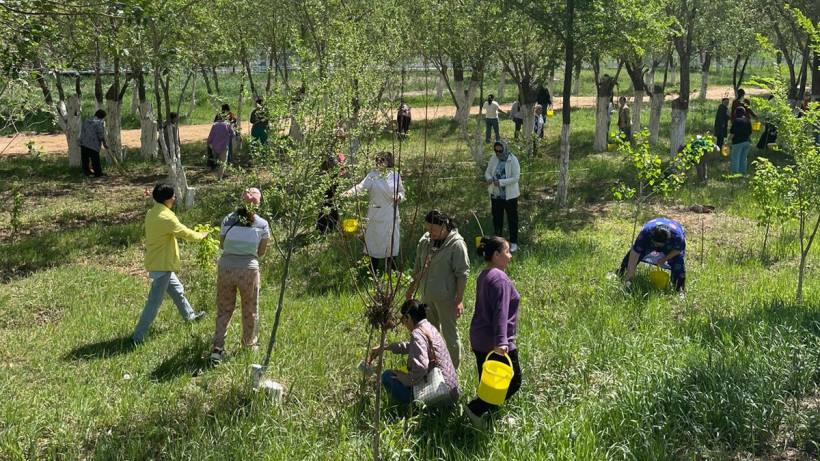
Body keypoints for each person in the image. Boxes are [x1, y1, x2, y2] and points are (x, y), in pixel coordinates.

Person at [132, 184, 208, 344]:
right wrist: (201, 236)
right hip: (162, 264)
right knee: (154, 302)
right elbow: (185, 233)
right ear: (167, 199)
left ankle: (190, 317)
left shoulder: (152, 212)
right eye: (173, 196)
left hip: (158, 261)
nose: (174, 198)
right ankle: (138, 336)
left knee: (177, 291)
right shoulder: (167, 217)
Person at [464, 236, 522, 427]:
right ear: (496, 255)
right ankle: (475, 409)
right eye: (507, 252)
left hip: (479, 337)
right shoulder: (500, 278)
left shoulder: (484, 274)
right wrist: (501, 341)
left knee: (488, 382)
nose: (510, 256)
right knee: (512, 381)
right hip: (494, 341)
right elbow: (500, 311)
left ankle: (488, 418)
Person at [209, 188, 270, 362]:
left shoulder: (228, 220)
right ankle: (248, 345)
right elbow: (261, 252)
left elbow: (222, 245)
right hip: (249, 270)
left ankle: (217, 348)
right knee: (250, 309)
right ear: (257, 205)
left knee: (224, 309)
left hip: (225, 268)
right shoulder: (262, 224)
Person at [405, 210, 470, 368]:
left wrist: (459, 300)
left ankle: (453, 371)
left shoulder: (456, 245)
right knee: (428, 335)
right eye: (427, 229)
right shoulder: (425, 242)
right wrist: (410, 289)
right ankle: (433, 367)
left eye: (433, 230)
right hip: (427, 297)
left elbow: (462, 274)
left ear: (444, 226)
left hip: (446, 299)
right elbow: (417, 268)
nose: (430, 233)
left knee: (450, 337)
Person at [371, 299, 460, 406]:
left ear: (408, 317)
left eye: (403, 319)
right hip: (451, 390)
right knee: (404, 371)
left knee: (387, 376)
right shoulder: (428, 327)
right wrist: (385, 347)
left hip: (441, 395)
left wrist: (405, 379)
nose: (403, 324)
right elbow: (411, 347)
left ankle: (414, 407)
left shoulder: (417, 333)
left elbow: (421, 368)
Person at [342, 151, 405, 274]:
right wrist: (349, 192)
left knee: (391, 243)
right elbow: (360, 187)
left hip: (391, 215)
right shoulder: (372, 176)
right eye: (379, 161)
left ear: (389, 162)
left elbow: (402, 191)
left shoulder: (395, 175)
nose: (380, 164)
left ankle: (392, 271)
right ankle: (372, 271)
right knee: (375, 243)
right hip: (376, 216)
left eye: (383, 161)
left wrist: (399, 197)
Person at [619, 217, 686, 293]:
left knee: (678, 261)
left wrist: (665, 258)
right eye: (655, 244)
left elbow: (678, 250)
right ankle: (621, 272)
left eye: (659, 245)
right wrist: (629, 275)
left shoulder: (677, 237)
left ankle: (680, 289)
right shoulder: (645, 234)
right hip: (650, 239)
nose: (657, 247)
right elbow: (635, 253)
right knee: (631, 256)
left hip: (670, 243)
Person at [484, 140, 521, 253]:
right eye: (496, 150)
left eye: (500, 150)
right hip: (496, 195)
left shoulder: (512, 160)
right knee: (497, 218)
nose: (498, 153)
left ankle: (513, 242)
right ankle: (498, 241)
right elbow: (487, 172)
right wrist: (489, 178)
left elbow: (516, 178)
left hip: (509, 196)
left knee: (512, 219)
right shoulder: (494, 158)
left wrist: (501, 182)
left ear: (505, 149)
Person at [79, 109, 109, 177]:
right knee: (95, 159)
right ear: (102, 117)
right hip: (93, 144)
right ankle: (98, 173)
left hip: (83, 143)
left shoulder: (87, 121)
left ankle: (87, 173)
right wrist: (104, 143)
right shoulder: (99, 123)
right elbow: (101, 134)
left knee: (85, 160)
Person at [207, 114, 236, 180]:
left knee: (219, 161)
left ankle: (224, 173)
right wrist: (229, 137)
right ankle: (219, 177)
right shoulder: (227, 125)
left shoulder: (215, 124)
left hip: (215, 147)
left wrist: (209, 143)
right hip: (224, 146)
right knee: (223, 162)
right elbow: (233, 134)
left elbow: (211, 135)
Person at [728, 106, 753, 175]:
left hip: (738, 142)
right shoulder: (748, 121)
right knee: (743, 158)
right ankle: (743, 172)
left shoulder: (737, 121)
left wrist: (728, 141)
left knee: (735, 157)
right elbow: (750, 132)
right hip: (747, 141)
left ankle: (734, 173)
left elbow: (733, 133)